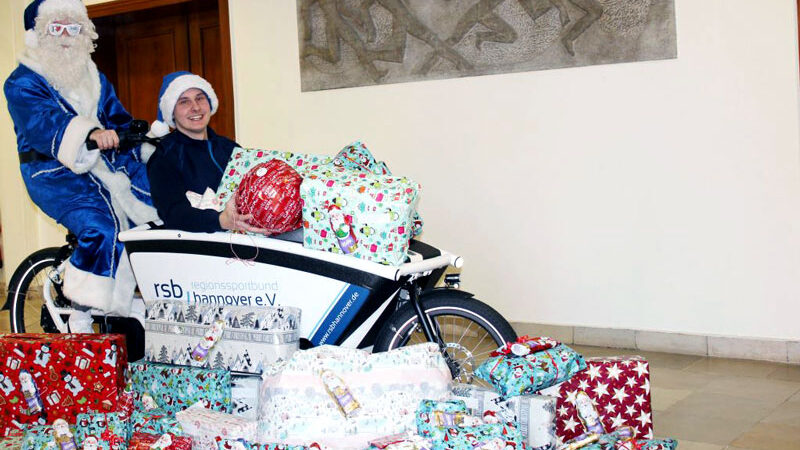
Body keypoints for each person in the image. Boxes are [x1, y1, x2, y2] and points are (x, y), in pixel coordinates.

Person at [3, 0, 158, 331]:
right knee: (100, 226)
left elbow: (116, 115)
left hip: (101, 165)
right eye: (56, 28)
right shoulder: (21, 81)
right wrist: (89, 133)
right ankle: (81, 312)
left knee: (154, 212)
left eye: (73, 28)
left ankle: (131, 300)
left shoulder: (93, 76)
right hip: (52, 171)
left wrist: (139, 135)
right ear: (37, 33)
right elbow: (44, 125)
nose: (65, 37)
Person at [146, 71, 267, 234]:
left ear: (210, 103)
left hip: (246, 235)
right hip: (203, 249)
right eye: (184, 102)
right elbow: (174, 214)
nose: (195, 107)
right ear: (171, 112)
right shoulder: (164, 157)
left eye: (200, 98)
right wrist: (221, 221)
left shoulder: (230, 148)